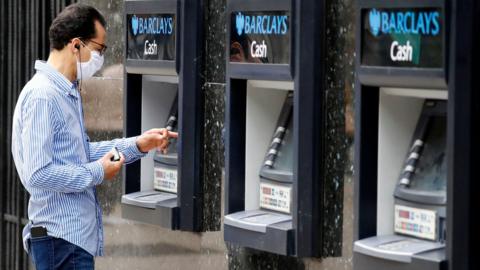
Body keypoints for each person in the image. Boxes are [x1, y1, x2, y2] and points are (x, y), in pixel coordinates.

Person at [10, 4, 176, 269]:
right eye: (99, 49)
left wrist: (137, 145)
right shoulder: (44, 96)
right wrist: (97, 173)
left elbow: (81, 154)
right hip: (60, 240)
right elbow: (38, 173)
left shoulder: (65, 92)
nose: (101, 58)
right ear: (76, 45)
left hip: (68, 241)